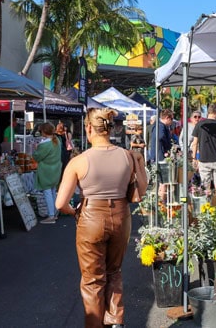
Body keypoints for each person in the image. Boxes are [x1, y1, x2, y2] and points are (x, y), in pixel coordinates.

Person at [55, 108, 148, 328]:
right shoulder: (127, 155)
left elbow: (60, 203)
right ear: (110, 127)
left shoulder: (79, 161)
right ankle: (115, 321)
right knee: (114, 271)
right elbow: (141, 192)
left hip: (91, 218)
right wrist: (140, 163)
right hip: (121, 217)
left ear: (89, 128)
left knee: (92, 280)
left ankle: (95, 324)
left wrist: (74, 210)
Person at [191, 104, 216, 208]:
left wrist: (194, 158)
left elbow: (195, 143)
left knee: (205, 186)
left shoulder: (200, 124)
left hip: (204, 160)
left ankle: (207, 209)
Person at [32, 122, 63, 224]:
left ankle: (51, 215)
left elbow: (36, 156)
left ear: (44, 132)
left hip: (46, 171)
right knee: (53, 191)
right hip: (56, 170)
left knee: (47, 192)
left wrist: (36, 148)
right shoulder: (57, 140)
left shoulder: (44, 144)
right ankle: (54, 212)